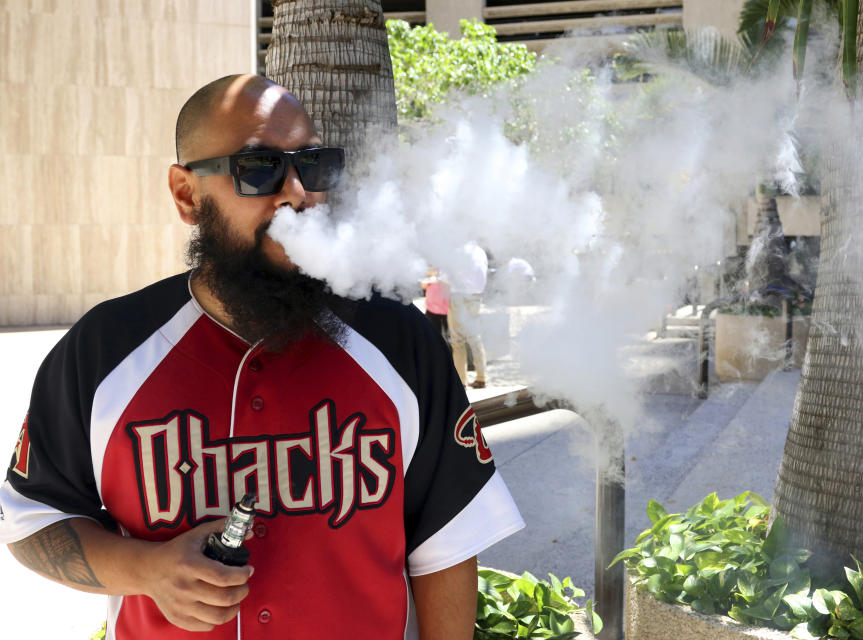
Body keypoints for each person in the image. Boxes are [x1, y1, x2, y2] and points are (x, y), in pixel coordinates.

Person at [0, 75, 523, 640]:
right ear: (186, 195)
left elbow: (446, 543)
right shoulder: (104, 348)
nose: (297, 192)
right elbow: (33, 519)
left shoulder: (398, 342)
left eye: (313, 165)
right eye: (259, 169)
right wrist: (146, 572)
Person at [448, 241, 489, 389]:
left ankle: (461, 381)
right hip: (476, 297)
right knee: (475, 338)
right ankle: (481, 377)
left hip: (459, 296)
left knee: (457, 340)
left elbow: (448, 275)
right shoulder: (480, 250)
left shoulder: (458, 250)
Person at [420, 268, 451, 344]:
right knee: (433, 337)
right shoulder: (430, 269)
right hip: (431, 309)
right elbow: (423, 286)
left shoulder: (450, 267)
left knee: (449, 339)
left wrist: (439, 278)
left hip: (447, 310)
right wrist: (431, 276)